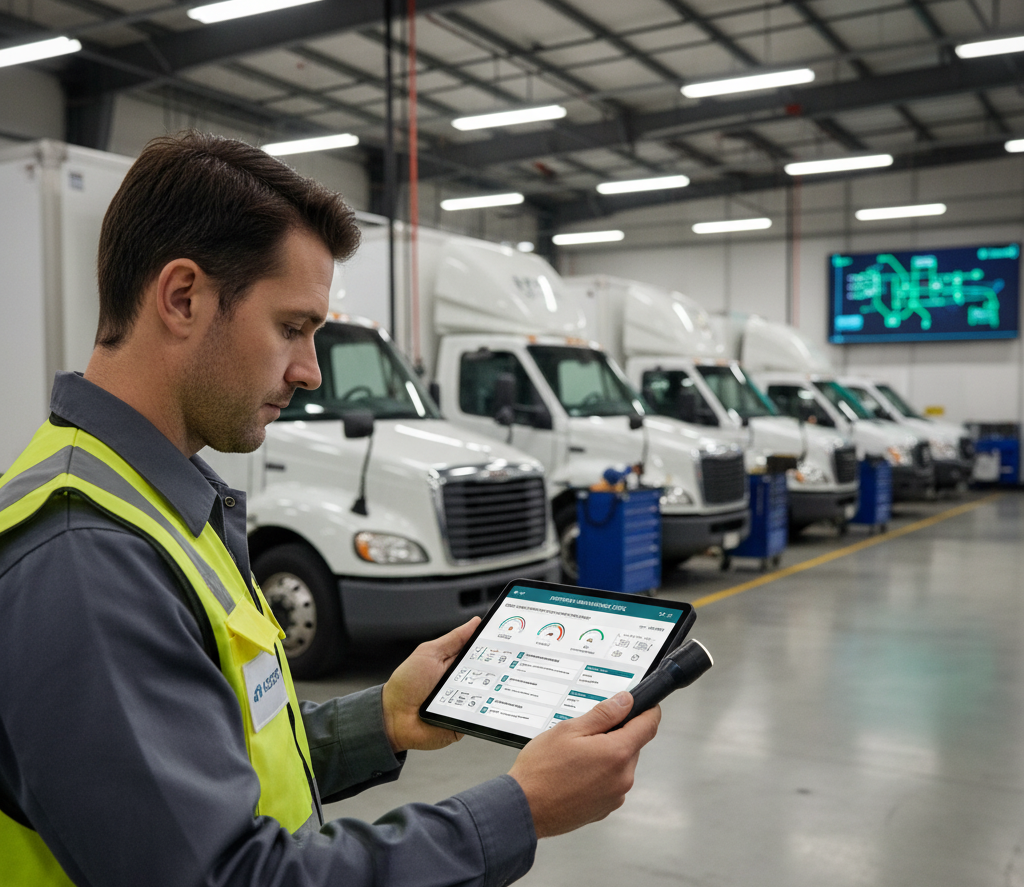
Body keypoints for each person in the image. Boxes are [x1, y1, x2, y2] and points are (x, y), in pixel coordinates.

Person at [0, 131, 661, 887]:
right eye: (292, 327)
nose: (310, 370)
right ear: (183, 298)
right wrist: (522, 808)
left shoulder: (153, 501)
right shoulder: (85, 556)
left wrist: (381, 718)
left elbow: (210, 758)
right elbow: (230, 876)